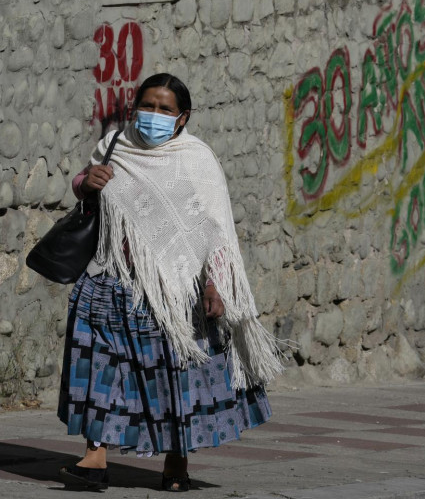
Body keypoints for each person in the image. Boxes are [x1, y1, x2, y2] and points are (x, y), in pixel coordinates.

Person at [57, 73, 283, 492]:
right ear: (134, 108)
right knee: (100, 371)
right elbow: (85, 185)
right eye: (147, 106)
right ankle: (94, 459)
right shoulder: (115, 145)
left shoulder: (195, 159)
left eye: (165, 109)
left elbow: (213, 230)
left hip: (173, 295)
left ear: (183, 117)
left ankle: (176, 462)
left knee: (174, 377)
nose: (154, 115)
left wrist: (214, 285)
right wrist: (84, 184)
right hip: (110, 282)